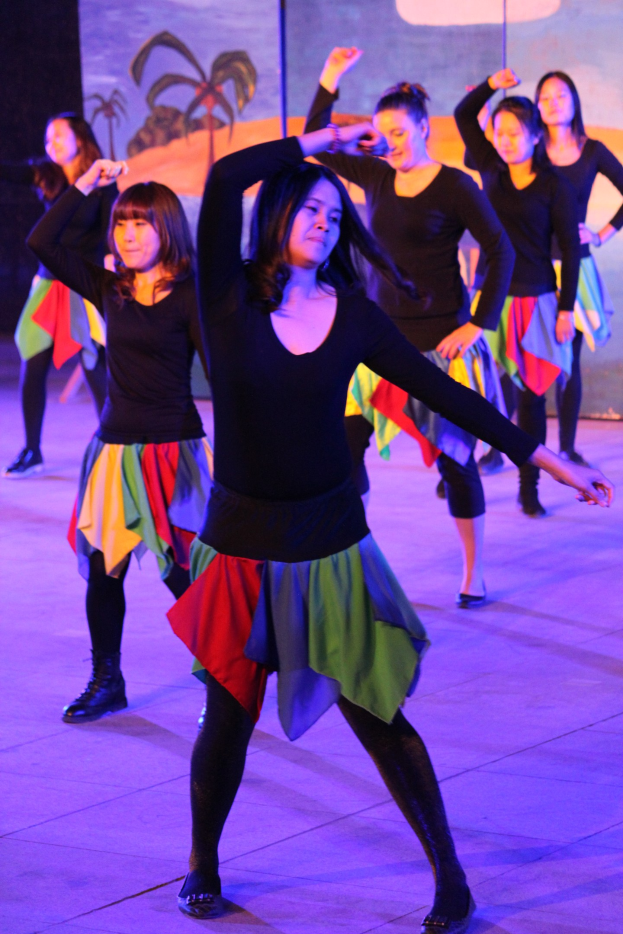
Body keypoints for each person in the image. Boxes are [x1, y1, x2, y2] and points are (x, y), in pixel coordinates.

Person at [165, 127, 613, 930]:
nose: (323, 224)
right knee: (226, 715)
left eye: (335, 217)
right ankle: (202, 858)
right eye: (309, 208)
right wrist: (321, 139)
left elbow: (447, 397)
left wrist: (541, 456)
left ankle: (451, 879)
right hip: (239, 546)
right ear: (274, 213)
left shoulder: (355, 316)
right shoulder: (225, 296)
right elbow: (228, 173)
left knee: (377, 714)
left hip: (330, 544)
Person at [304, 47, 516, 607]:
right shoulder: (373, 174)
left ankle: (474, 573)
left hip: (440, 344)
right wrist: (329, 81)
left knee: (455, 460)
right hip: (374, 343)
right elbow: (313, 140)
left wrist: (479, 323)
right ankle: (350, 564)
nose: (392, 143)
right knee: (345, 454)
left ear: (424, 128)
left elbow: (500, 249)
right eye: (384, 134)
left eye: (401, 132)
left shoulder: (453, 185)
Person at [26, 160, 213, 723]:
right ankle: (108, 678)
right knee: (105, 567)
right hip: (113, 452)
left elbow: (222, 376)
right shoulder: (109, 287)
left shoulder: (190, 295)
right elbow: (43, 240)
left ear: (168, 230)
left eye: (141, 225)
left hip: (173, 452)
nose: (128, 236)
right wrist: (84, 184)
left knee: (183, 573)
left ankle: (221, 681)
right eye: (122, 225)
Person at [455, 70, 581, 517]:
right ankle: (463, 469)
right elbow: (463, 114)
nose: (505, 140)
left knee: (532, 398)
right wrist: (491, 83)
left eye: (514, 133)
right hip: (489, 299)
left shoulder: (554, 186)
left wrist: (566, 310)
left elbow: (570, 248)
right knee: (482, 392)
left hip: (539, 300)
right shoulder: (490, 168)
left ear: (534, 137)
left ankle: (529, 485)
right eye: (499, 132)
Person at [2, 114, 115, 478]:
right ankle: (32, 450)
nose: (52, 145)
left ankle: (113, 445)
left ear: (80, 138)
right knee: (32, 360)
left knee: (94, 364)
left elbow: (109, 236)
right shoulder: (46, 175)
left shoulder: (101, 180)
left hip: (84, 284)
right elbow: (8, 170)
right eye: (48, 139)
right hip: (48, 284)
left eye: (59, 137)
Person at [536, 70, 623, 464]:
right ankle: (500, 447)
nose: (554, 103)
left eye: (561, 96)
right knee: (522, 363)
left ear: (574, 102)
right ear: (537, 106)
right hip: (530, 267)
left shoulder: (593, 150)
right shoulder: (530, 146)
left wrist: (602, 234)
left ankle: (567, 447)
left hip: (575, 266)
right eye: (545, 97)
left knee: (568, 362)